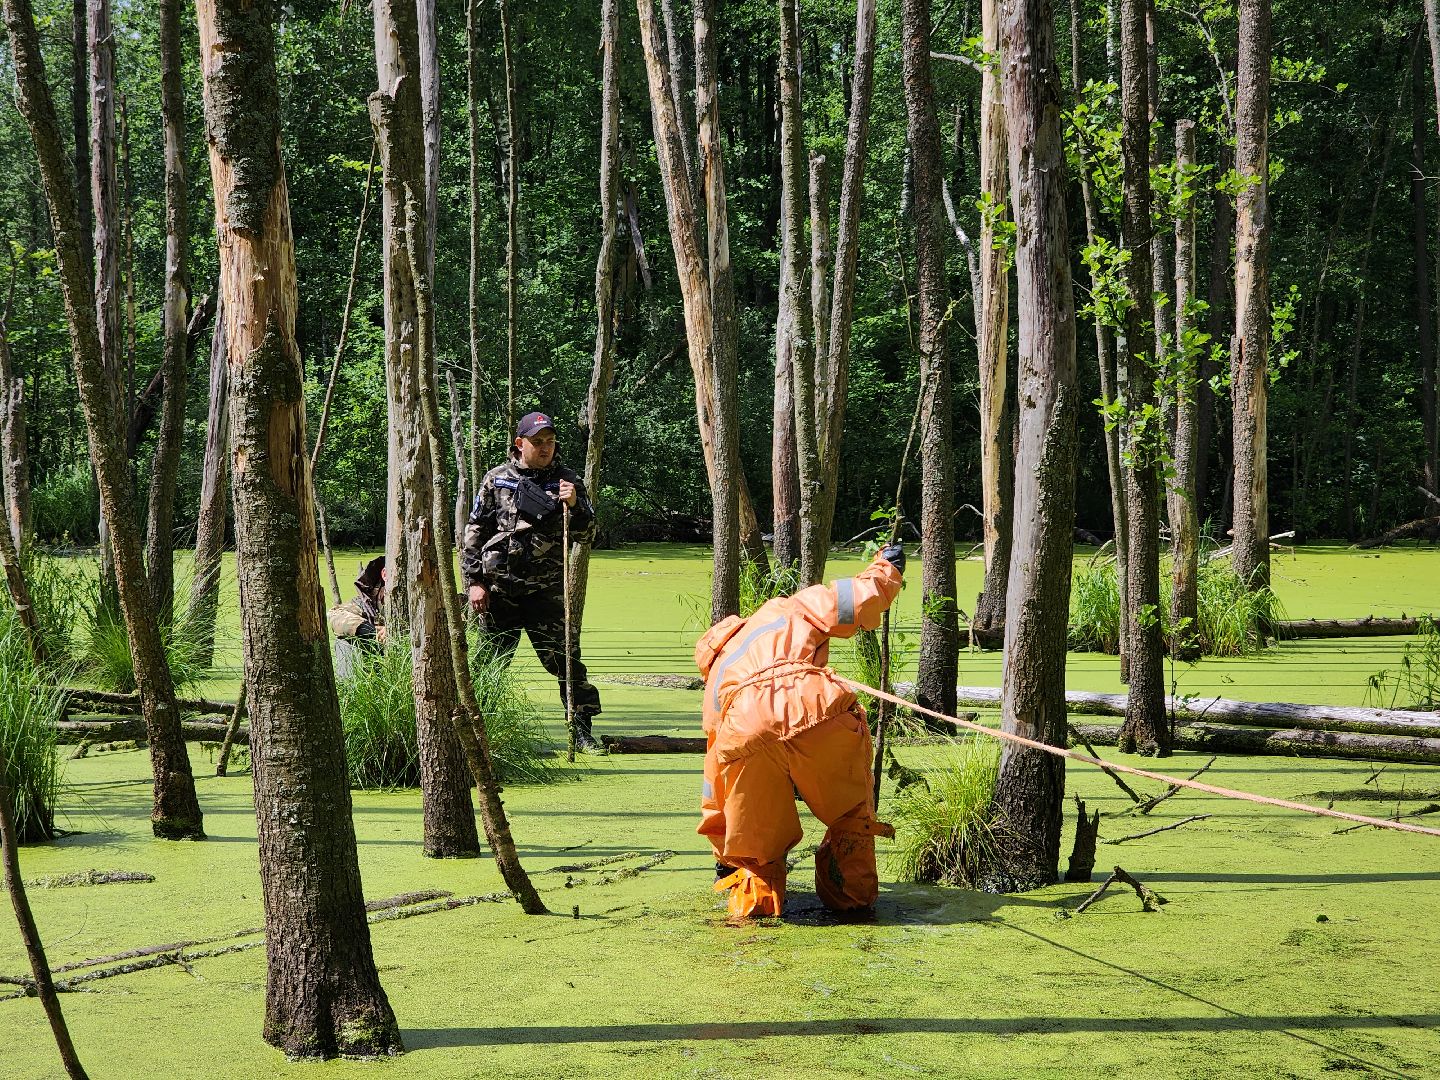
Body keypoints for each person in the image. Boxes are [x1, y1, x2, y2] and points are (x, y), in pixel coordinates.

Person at [694, 545, 905, 919]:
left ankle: (756, 909)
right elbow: (850, 601)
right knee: (850, 818)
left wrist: (726, 855)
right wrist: (886, 569)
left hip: (745, 729)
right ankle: (854, 903)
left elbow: (716, 783)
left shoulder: (716, 685)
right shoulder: (784, 610)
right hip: (816, 707)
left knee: (757, 850)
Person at [463, 411, 604, 750]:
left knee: (565, 660)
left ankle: (581, 731)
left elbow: (588, 535)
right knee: (488, 664)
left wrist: (574, 504)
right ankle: (479, 732)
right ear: (520, 444)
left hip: (547, 592)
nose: (545, 449)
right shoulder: (497, 479)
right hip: (499, 591)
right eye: (537, 442)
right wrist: (474, 582)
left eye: (550, 442)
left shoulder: (568, 481)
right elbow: (474, 532)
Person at [328, 555, 387, 678]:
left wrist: (392, 631)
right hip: (374, 667)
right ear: (384, 573)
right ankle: (350, 691)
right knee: (344, 641)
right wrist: (369, 631)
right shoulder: (366, 602)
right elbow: (335, 615)